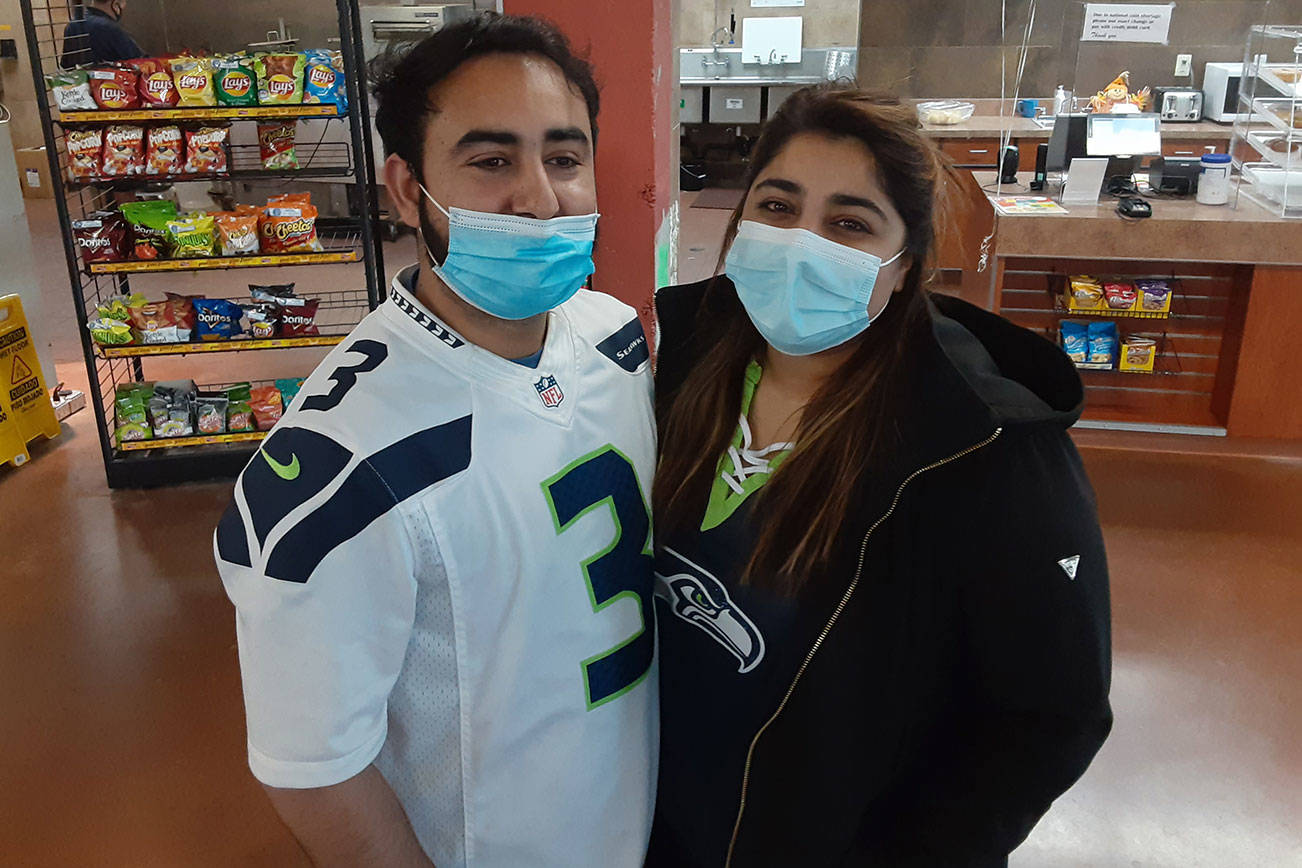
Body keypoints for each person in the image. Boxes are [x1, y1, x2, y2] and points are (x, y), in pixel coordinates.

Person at [215, 14, 658, 868]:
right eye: (492, 162)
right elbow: (312, 770)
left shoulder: (614, 337)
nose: (540, 197)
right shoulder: (346, 459)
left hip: (633, 824)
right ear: (407, 188)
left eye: (564, 158)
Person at [647, 85, 1112, 867]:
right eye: (777, 206)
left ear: (904, 269)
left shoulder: (985, 448)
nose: (801, 241)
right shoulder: (686, 364)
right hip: (657, 823)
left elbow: (1050, 716)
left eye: (849, 224)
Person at [59, 0, 142, 68]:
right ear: (115, 4)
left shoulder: (71, 26)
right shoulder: (111, 29)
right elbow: (141, 63)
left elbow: (66, 65)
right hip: (111, 85)